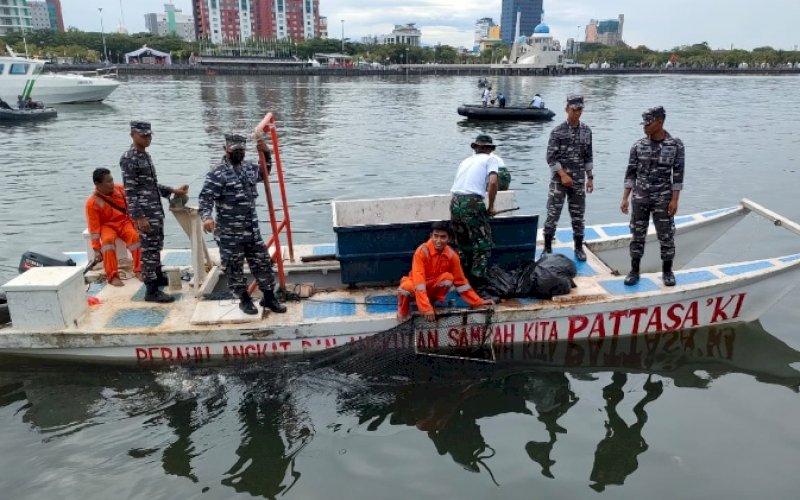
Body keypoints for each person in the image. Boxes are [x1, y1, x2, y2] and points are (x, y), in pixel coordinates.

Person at [199, 133, 287, 315]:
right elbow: (205, 198)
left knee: (263, 263)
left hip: (251, 230)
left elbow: (264, 173)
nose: (239, 152)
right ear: (226, 149)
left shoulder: (249, 168)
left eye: (241, 149)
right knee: (234, 268)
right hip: (229, 233)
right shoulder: (217, 173)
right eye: (235, 149)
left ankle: (269, 297)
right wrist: (207, 217)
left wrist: (266, 153)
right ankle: (244, 300)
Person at [119, 121, 189, 303]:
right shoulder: (129, 158)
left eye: (149, 135)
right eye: (143, 135)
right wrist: (139, 217)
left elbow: (151, 186)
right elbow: (131, 191)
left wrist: (173, 191)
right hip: (145, 213)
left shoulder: (145, 155)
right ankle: (151, 290)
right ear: (132, 135)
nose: (147, 138)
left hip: (155, 210)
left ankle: (157, 277)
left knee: (156, 246)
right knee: (149, 250)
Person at [620, 106, 684, 287]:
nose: (645, 127)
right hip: (640, 197)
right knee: (637, 235)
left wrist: (675, 200)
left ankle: (667, 271)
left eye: (648, 123)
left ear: (660, 122)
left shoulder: (675, 145)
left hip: (663, 198)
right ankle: (634, 271)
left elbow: (678, 175)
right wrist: (625, 198)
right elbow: (630, 174)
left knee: (666, 235)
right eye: (644, 124)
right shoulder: (638, 146)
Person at [397, 221, 493, 321]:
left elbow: (461, 283)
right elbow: (419, 282)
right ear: (431, 236)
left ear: (449, 238)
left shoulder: (452, 255)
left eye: (443, 237)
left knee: (447, 278)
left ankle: (431, 302)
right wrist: (425, 308)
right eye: (436, 236)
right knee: (405, 288)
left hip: (430, 287)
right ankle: (403, 311)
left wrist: (477, 302)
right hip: (415, 286)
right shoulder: (421, 251)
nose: (438, 240)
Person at [543, 95, 594, 261]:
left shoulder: (586, 131)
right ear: (567, 109)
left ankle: (578, 247)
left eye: (580, 109)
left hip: (578, 180)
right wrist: (563, 175)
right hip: (559, 181)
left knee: (578, 215)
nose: (577, 113)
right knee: (553, 213)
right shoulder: (557, 131)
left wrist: (590, 178)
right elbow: (551, 157)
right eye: (574, 109)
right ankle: (547, 247)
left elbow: (588, 156)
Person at [450, 134, 501, 286]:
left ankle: (461, 278)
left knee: (462, 243)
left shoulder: (465, 161)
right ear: (490, 149)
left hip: (455, 202)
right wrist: (491, 206)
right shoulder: (491, 159)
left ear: (475, 147)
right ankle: (478, 282)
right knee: (483, 243)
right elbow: (493, 182)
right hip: (472, 202)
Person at [85, 168, 142, 286]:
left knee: (135, 237)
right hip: (107, 226)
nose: (112, 184)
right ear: (97, 184)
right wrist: (96, 249)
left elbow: (133, 204)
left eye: (112, 180)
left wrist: (136, 222)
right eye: (108, 181)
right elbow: (94, 228)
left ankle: (139, 270)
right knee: (107, 242)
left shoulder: (120, 190)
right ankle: (112, 275)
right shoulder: (91, 203)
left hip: (124, 222)